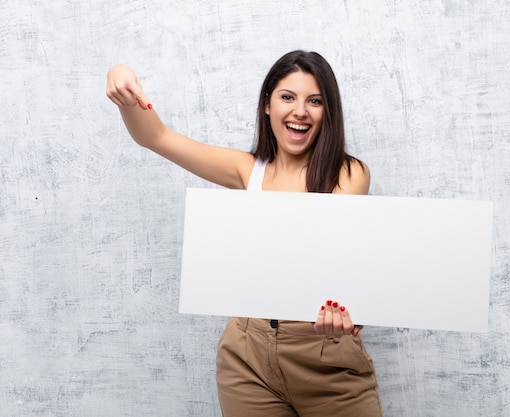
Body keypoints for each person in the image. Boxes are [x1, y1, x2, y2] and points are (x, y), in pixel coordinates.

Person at [106, 50, 383, 416]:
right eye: (288, 97)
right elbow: (156, 136)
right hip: (247, 360)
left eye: (314, 101)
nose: (300, 111)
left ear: (328, 111)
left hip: (324, 355)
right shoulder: (247, 170)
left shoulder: (348, 173)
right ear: (267, 104)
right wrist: (122, 76)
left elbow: (325, 257)